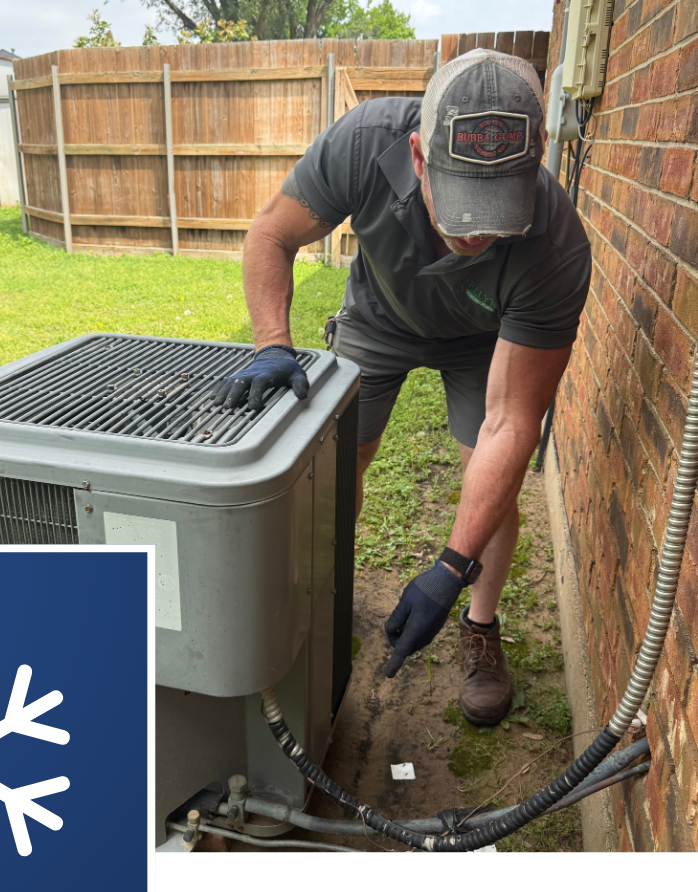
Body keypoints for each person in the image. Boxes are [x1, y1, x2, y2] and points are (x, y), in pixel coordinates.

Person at [214, 48, 591, 727]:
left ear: (535, 159)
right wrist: (273, 344)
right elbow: (271, 234)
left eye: (495, 207)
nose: (475, 230)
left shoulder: (556, 244)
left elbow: (511, 424)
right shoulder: (363, 144)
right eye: (459, 204)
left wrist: (451, 568)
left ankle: (479, 624)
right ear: (418, 155)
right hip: (381, 314)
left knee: (488, 466)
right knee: (339, 461)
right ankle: (325, 594)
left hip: (489, 337)